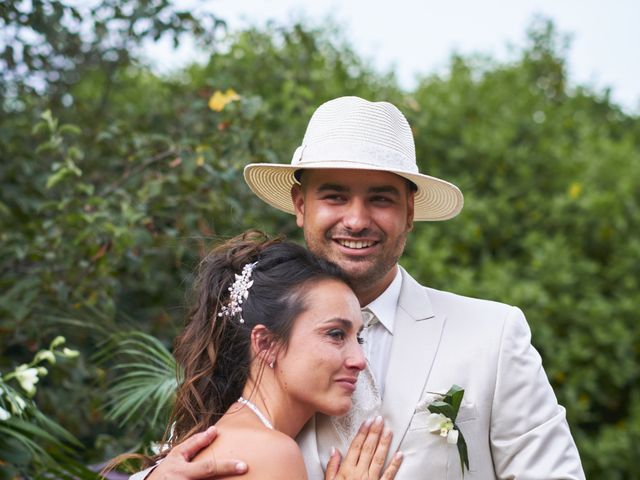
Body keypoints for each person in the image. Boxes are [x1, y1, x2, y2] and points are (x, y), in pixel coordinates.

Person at [136, 96, 585, 479]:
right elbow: (188, 456)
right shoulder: (251, 332)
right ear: (300, 204)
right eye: (334, 196)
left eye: (380, 198)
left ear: (409, 212)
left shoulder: (493, 333)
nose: (356, 219)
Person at [128, 230, 403, 480]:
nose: (359, 360)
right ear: (265, 343)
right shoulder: (271, 453)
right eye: (335, 334)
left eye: (359, 337)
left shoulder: (229, 437)